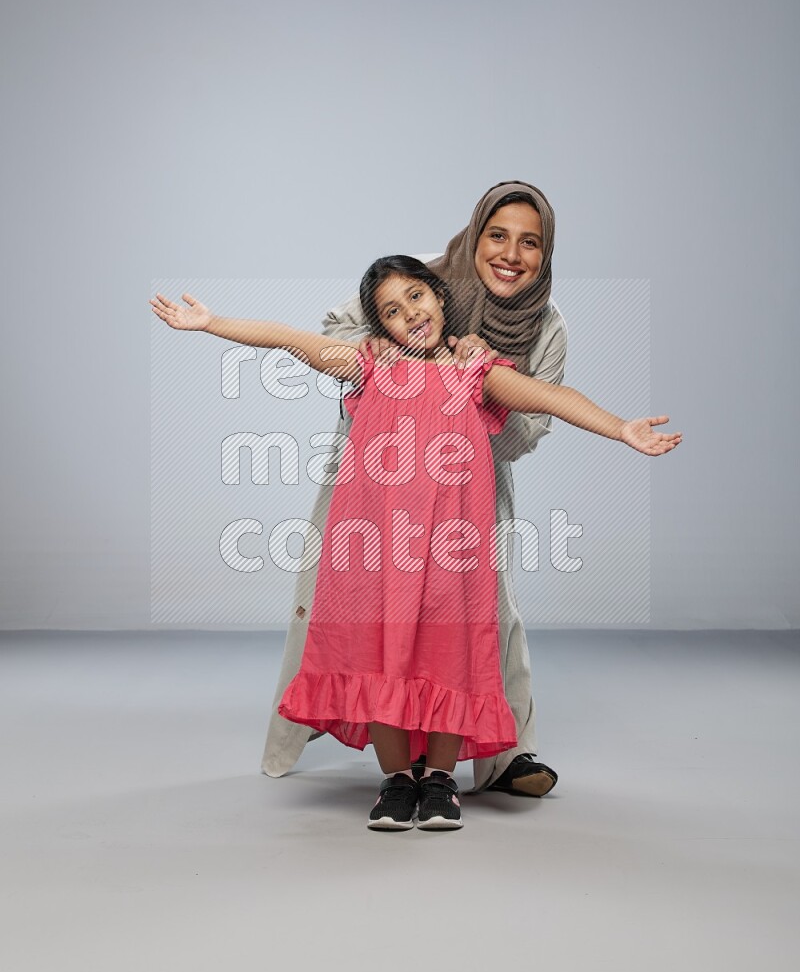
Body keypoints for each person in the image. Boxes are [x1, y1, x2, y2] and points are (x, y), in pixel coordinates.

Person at [149, 259, 680, 832]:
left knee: (447, 655)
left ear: (440, 298)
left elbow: (549, 397)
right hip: (373, 550)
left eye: (417, 297)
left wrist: (621, 427)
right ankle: (398, 780)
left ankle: (441, 781)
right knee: (376, 653)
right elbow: (287, 340)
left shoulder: (476, 371)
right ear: (380, 328)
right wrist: (211, 323)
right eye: (392, 312)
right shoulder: (370, 367)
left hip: (452, 553)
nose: (410, 315)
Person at [263, 181, 568, 799]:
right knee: (344, 611)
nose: (511, 254)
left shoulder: (546, 325)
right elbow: (334, 333)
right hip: (376, 475)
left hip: (466, 482)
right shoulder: (428, 281)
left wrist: (468, 395)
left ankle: (501, 756)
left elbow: (529, 428)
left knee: (481, 619)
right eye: (498, 236)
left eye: (529, 243)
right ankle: (310, 735)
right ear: (475, 236)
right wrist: (381, 358)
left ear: (545, 253)